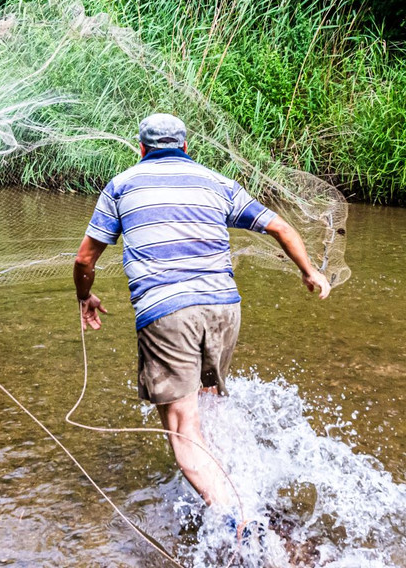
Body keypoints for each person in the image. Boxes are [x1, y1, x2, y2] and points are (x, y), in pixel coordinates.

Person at [72, 113, 331, 514]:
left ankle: (238, 520)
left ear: (141, 148)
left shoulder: (121, 186)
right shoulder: (218, 182)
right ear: (186, 147)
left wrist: (85, 296)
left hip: (167, 312)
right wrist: (310, 272)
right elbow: (281, 228)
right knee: (206, 400)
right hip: (224, 308)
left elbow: (85, 258)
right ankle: (233, 477)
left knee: (182, 427)